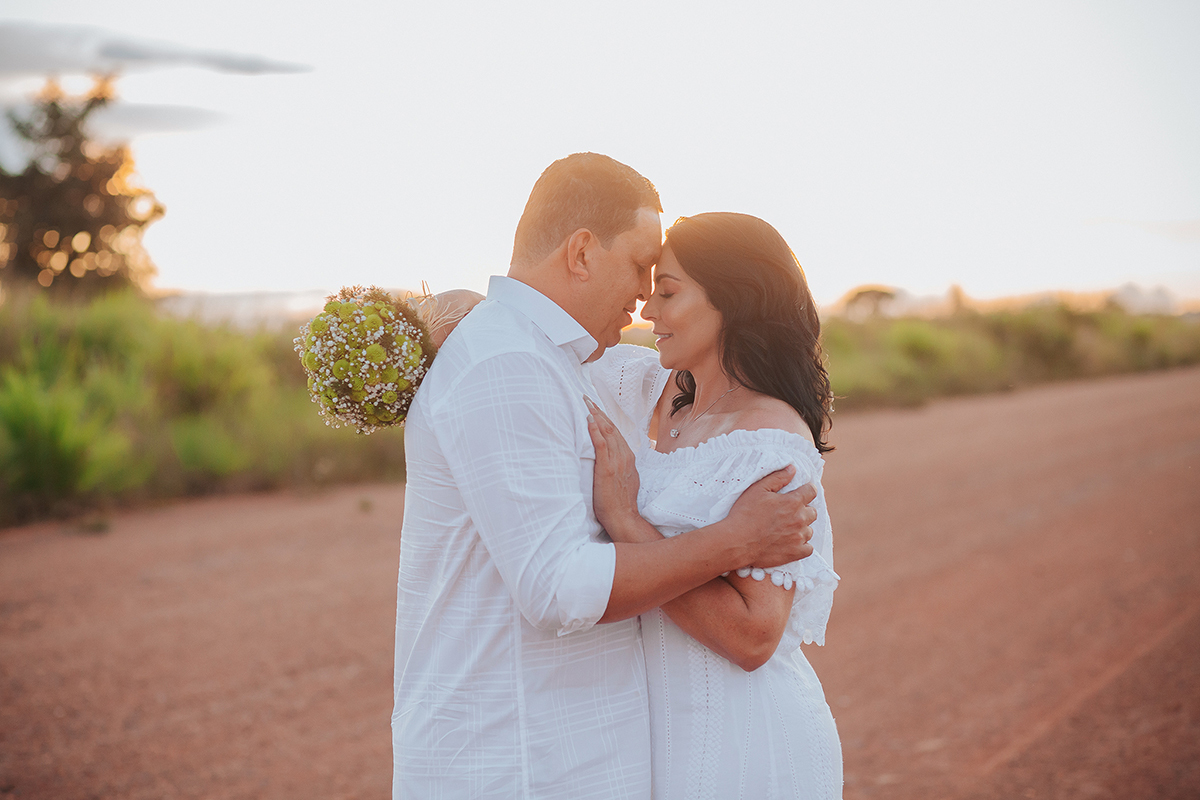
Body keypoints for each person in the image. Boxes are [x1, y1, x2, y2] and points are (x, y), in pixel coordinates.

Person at [391, 154, 818, 799]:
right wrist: (733, 542)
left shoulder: (552, 359)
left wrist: (454, 310)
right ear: (583, 252)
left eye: (664, 283)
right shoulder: (508, 363)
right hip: (515, 763)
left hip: (621, 752)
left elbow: (756, 630)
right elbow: (558, 587)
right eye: (642, 266)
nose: (645, 294)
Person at [584, 212, 842, 799]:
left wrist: (626, 523)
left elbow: (754, 636)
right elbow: (543, 350)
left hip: (742, 741)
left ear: (734, 300)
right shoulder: (650, 389)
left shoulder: (771, 443)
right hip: (652, 740)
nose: (648, 312)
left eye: (668, 293)